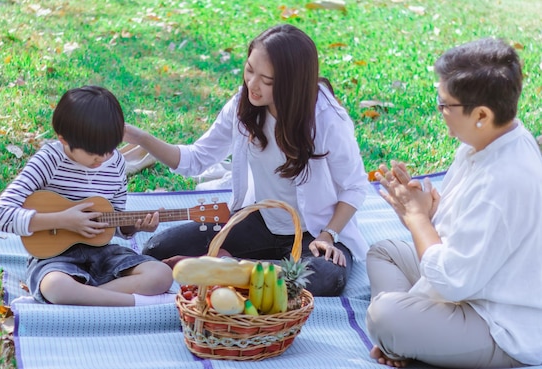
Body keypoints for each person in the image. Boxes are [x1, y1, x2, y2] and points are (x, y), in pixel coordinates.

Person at [123, 24, 370, 296]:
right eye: (250, 70)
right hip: (261, 221)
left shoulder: (326, 118)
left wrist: (329, 235)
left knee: (326, 277)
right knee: (158, 249)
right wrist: (141, 137)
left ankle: (227, 267)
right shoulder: (244, 105)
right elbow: (196, 158)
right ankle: (244, 270)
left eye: (267, 80)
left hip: (316, 233)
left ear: (293, 84)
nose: (252, 85)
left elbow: (355, 187)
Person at [367, 38, 542, 368]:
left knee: (384, 316)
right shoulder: (488, 141)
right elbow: (458, 230)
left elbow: (452, 282)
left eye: (446, 104)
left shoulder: (505, 180)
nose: (440, 111)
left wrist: (418, 219)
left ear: (481, 114)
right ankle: (405, 339)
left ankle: (401, 337)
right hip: (473, 279)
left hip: (499, 321)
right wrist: (426, 210)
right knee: (384, 251)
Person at [0, 86, 174, 306]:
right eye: (93, 153)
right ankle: (133, 302)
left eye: (109, 149)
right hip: (54, 258)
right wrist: (63, 220)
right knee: (56, 286)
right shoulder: (49, 160)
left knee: (162, 274)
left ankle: (84, 296)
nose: (103, 158)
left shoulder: (115, 163)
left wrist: (134, 226)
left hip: (102, 253)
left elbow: (113, 220)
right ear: (64, 139)